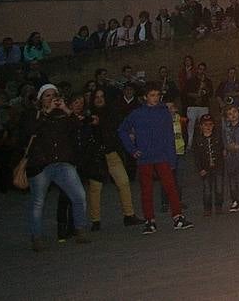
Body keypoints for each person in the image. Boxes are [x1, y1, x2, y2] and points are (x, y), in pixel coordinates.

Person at [22, 84, 93, 250]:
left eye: (54, 95)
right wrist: (46, 113)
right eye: (47, 95)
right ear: (40, 99)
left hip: (62, 162)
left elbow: (77, 126)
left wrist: (67, 109)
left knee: (79, 195)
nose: (51, 98)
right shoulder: (32, 114)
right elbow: (30, 130)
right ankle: (36, 237)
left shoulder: (62, 114)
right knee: (38, 202)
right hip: (41, 164)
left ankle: (80, 230)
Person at [117, 83, 192, 234]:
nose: (155, 98)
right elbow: (122, 130)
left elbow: (169, 136)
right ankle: (149, 221)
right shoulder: (137, 114)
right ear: (145, 97)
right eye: (152, 95)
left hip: (162, 156)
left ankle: (178, 217)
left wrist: (171, 158)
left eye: (157, 95)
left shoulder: (164, 112)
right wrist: (132, 150)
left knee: (171, 188)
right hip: (145, 158)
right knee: (146, 191)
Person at [55, 94, 106, 240]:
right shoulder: (63, 118)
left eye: (81, 103)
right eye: (76, 102)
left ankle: (74, 226)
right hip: (67, 161)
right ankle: (62, 227)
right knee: (65, 196)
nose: (79, 105)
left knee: (77, 195)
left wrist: (94, 125)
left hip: (82, 160)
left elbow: (93, 137)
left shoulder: (86, 119)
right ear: (69, 103)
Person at [89, 88, 142, 226]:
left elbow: (118, 130)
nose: (99, 99)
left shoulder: (111, 113)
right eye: (97, 97)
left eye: (102, 96)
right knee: (96, 188)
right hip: (96, 156)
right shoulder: (88, 115)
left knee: (124, 182)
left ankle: (129, 215)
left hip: (111, 153)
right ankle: (95, 220)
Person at [193, 114, 225, 216]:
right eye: (205, 124)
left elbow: (221, 152)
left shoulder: (217, 137)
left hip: (218, 167)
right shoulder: (198, 140)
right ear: (201, 126)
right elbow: (196, 156)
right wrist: (200, 168)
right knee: (207, 189)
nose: (208, 127)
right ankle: (207, 208)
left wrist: (222, 162)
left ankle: (219, 206)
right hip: (205, 168)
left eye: (210, 124)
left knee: (219, 188)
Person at [183, 62, 213, 148]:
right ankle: (189, 144)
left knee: (204, 125)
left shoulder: (208, 81)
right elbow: (186, 93)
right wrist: (197, 95)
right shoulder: (191, 80)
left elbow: (211, 94)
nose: (201, 71)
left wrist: (205, 87)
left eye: (203, 70)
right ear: (197, 70)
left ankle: (203, 143)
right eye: (200, 69)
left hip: (203, 107)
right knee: (191, 125)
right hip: (192, 106)